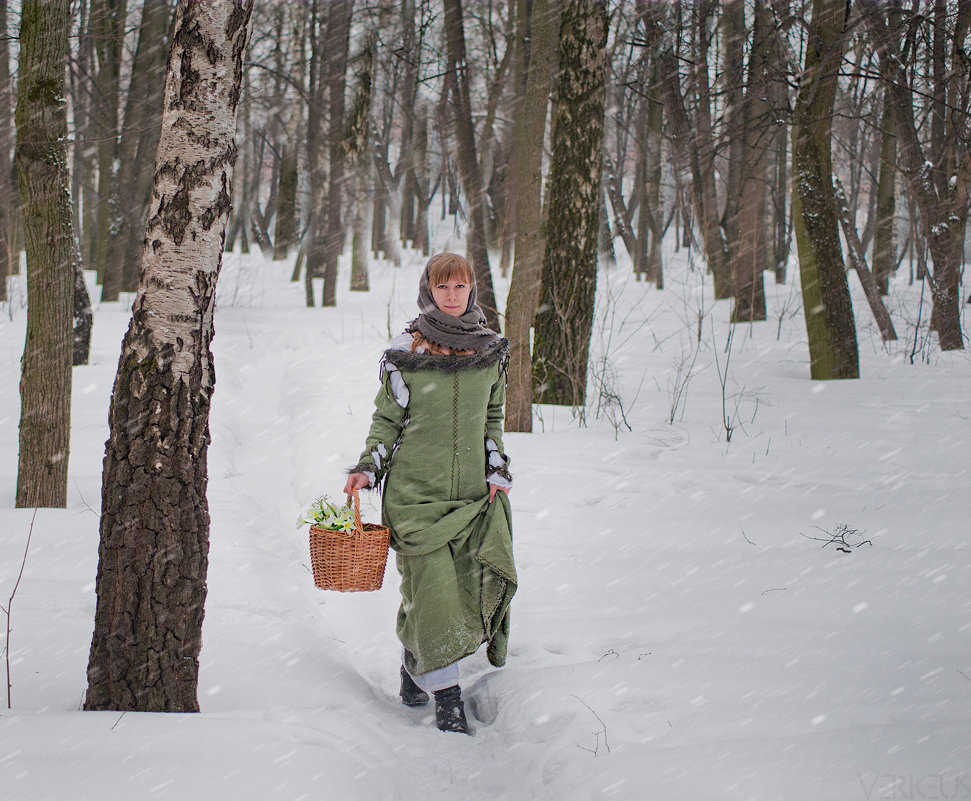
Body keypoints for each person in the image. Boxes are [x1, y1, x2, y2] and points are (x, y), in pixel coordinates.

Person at [343, 252, 516, 735]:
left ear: (472, 290)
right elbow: (387, 421)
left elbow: (492, 419)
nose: (453, 295)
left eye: (460, 287)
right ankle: (448, 698)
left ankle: (416, 662)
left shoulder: (490, 350)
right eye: (443, 288)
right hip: (415, 495)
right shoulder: (407, 353)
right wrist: (367, 468)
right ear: (428, 291)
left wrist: (496, 466)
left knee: (454, 592)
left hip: (469, 496)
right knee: (434, 591)